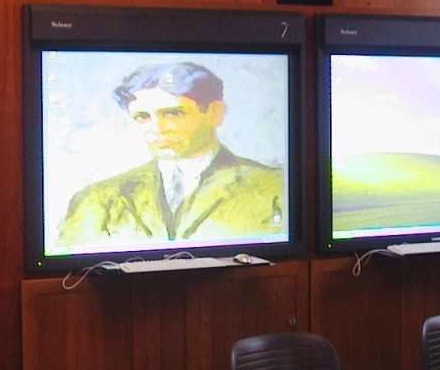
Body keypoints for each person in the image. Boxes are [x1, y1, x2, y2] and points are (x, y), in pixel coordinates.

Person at [57, 62, 284, 247]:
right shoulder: (95, 199)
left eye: (173, 113)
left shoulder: (274, 188)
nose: (157, 128)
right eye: (142, 117)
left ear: (215, 113)